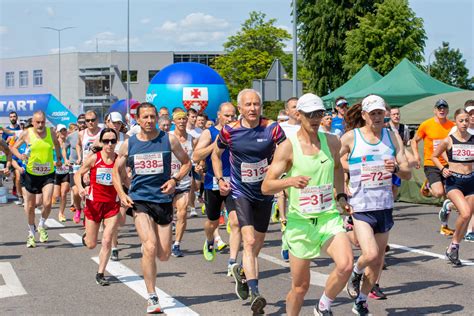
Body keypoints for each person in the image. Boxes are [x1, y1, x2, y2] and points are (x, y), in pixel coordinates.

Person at [262, 93, 354, 316]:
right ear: (298, 115)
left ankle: (323, 305)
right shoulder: (288, 147)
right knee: (300, 287)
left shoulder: (332, 141)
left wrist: (341, 195)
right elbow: (266, 186)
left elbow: (338, 168)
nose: (315, 119)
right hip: (300, 223)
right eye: (310, 114)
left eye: (319, 113)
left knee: (346, 265)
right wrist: (290, 180)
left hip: (328, 217)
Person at [112, 102, 191, 313]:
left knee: (163, 254)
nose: (148, 121)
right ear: (137, 120)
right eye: (144, 117)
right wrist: (121, 194)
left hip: (163, 200)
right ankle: (152, 296)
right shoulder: (129, 145)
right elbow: (115, 172)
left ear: (157, 118)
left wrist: (174, 180)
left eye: (152, 117)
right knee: (150, 246)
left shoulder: (168, 139)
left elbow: (187, 162)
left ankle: (149, 251)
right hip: (140, 200)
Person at [212, 89, 285, 315]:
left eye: (256, 104)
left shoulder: (272, 128)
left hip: (265, 192)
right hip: (241, 192)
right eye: (248, 105)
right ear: (240, 108)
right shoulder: (229, 131)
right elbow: (215, 155)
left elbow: (287, 152)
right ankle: (255, 293)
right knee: (250, 241)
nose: (253, 108)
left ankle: (243, 273)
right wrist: (220, 178)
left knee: (256, 245)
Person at [340, 95, 411, 316]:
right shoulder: (352, 137)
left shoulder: (393, 137)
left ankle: (361, 301)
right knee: (369, 254)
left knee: (378, 260)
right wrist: (348, 174)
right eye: (373, 114)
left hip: (384, 204)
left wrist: (396, 168)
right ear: (364, 116)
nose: (378, 117)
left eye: (381, 113)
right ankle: (355, 271)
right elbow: (337, 161)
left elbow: (408, 172)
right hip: (361, 204)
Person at [192, 102, 240, 270]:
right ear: (219, 115)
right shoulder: (209, 132)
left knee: (235, 222)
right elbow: (196, 155)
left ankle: (232, 262)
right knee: (212, 222)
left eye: (233, 115)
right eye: (227, 115)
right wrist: (217, 143)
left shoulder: (239, 131)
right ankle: (210, 239)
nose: (231, 118)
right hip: (213, 182)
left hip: (234, 182)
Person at [75, 128, 121, 285]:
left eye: (113, 141)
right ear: (101, 142)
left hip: (112, 205)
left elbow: (126, 180)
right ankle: (87, 236)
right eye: (106, 141)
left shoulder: (119, 159)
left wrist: (132, 193)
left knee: (107, 240)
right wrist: (81, 188)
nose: (109, 144)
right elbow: (78, 174)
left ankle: (100, 273)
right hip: (94, 204)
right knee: (91, 244)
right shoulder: (95, 158)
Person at [11, 110, 62, 248]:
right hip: (31, 174)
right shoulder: (27, 133)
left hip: (48, 173)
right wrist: (20, 156)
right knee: (30, 207)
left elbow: (57, 144)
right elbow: (13, 147)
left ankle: (41, 225)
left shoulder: (50, 132)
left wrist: (58, 158)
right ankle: (31, 233)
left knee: (47, 202)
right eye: (37, 122)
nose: (40, 125)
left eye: (42, 122)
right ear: (33, 123)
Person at [432, 108, 474, 266]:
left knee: (467, 217)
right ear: (455, 122)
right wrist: (443, 169)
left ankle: (454, 246)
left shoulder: (473, 139)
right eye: (461, 120)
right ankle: (454, 244)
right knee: (465, 213)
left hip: (471, 181)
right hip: (454, 181)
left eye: (466, 120)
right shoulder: (449, 140)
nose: (464, 123)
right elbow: (434, 156)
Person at [411, 99, 455, 235]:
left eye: (444, 108)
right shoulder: (426, 124)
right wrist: (416, 156)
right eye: (439, 108)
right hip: (431, 163)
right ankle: (429, 185)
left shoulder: (452, 126)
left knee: (451, 196)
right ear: (434, 110)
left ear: (447, 110)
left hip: (448, 164)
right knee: (438, 193)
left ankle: (444, 226)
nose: (442, 110)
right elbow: (414, 141)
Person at [169, 109, 197, 257]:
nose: (181, 121)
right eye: (178, 119)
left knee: (182, 212)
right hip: (168, 181)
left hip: (184, 181)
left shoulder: (192, 139)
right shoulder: (168, 137)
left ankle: (177, 244)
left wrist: (199, 164)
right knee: (166, 215)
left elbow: (196, 157)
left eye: (184, 119)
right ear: (174, 121)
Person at [105, 112, 130, 261]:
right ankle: (114, 247)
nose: (116, 125)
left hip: (123, 179)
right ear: (108, 122)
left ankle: (111, 233)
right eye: (113, 122)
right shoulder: (103, 137)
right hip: (107, 182)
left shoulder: (126, 139)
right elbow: (93, 154)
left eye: (118, 123)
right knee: (113, 218)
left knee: (121, 219)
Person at [75, 110, 103, 224]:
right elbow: (78, 144)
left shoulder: (102, 132)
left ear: (97, 120)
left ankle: (94, 218)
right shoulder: (82, 133)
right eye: (88, 120)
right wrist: (79, 157)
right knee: (82, 192)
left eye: (93, 120)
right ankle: (86, 214)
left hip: (100, 166)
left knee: (97, 194)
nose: (90, 122)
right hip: (86, 166)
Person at [53, 124, 70, 222]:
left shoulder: (69, 143)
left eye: (65, 130)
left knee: (64, 193)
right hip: (55, 172)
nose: (63, 132)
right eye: (61, 131)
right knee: (56, 195)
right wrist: (54, 163)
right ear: (58, 133)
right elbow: (48, 158)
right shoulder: (53, 144)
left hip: (66, 172)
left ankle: (61, 213)